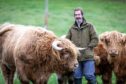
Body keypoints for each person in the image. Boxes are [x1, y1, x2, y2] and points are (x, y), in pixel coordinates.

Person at [66, 8, 98, 84]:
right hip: (76, 58)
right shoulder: (71, 28)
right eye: (76, 15)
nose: (77, 16)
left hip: (88, 56)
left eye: (79, 14)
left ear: (82, 15)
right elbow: (67, 41)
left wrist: (88, 47)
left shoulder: (89, 26)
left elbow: (95, 39)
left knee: (89, 75)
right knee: (77, 77)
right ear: (74, 16)